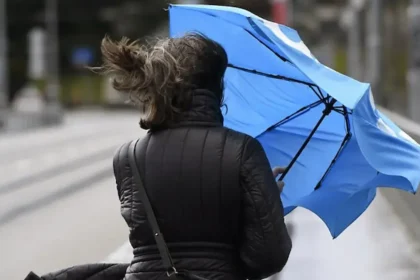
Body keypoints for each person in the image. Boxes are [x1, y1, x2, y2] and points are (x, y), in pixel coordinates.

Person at [25, 33, 291, 280]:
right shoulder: (243, 151)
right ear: (217, 88)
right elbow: (267, 258)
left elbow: (161, 237)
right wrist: (266, 207)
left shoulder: (128, 157)